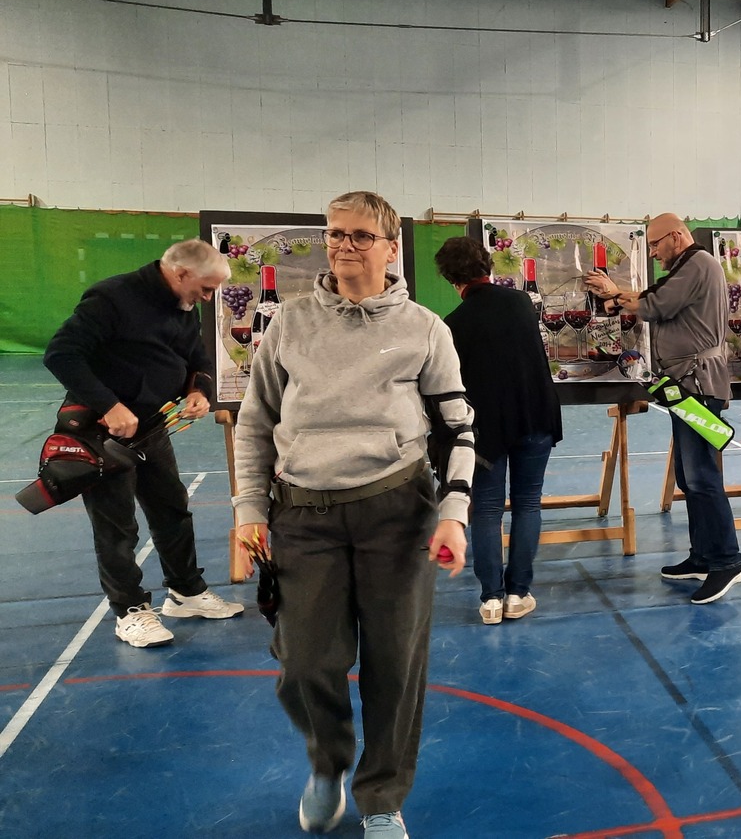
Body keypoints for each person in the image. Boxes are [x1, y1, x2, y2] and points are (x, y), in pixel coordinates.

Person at [232, 191, 473, 839]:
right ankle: (328, 763)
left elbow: (458, 428)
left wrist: (453, 513)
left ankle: (382, 797)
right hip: (302, 517)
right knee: (305, 663)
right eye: (336, 233)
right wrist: (249, 509)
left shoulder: (425, 329)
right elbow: (255, 422)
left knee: (395, 665)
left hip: (398, 514)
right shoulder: (289, 323)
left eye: (361, 236)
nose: (344, 245)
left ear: (391, 248)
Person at [43, 239, 243, 648]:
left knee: (172, 508)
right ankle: (130, 611)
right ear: (181, 273)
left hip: (153, 425)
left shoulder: (184, 305)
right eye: (206, 288)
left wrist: (199, 391)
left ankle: (185, 592)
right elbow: (61, 354)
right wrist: (110, 405)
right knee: (117, 524)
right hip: (101, 430)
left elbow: (197, 359)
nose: (208, 297)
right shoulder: (112, 297)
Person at [584, 213, 741, 604]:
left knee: (702, 476)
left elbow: (655, 304)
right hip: (684, 386)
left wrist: (614, 294)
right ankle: (703, 556)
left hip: (698, 385)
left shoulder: (699, 264)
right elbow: (654, 298)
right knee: (688, 476)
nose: (654, 252)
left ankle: (728, 561)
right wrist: (619, 295)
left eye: (656, 244)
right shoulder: (686, 267)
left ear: (676, 236)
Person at [435, 236, 563, 624]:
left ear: (450, 278)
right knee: (528, 503)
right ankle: (518, 593)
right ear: (488, 266)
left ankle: (491, 599)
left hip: (485, 429)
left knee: (487, 510)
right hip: (534, 417)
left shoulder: (452, 324)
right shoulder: (521, 302)